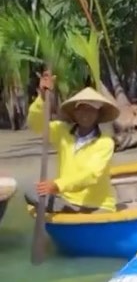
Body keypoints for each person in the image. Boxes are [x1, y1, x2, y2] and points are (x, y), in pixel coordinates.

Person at [25, 71, 119, 213]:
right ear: (75, 113)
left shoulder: (105, 142)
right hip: (67, 199)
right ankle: (65, 209)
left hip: (97, 206)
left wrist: (57, 185)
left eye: (91, 110)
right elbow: (37, 125)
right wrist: (42, 98)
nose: (86, 114)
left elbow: (91, 174)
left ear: (98, 114)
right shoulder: (62, 131)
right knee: (31, 193)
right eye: (81, 110)